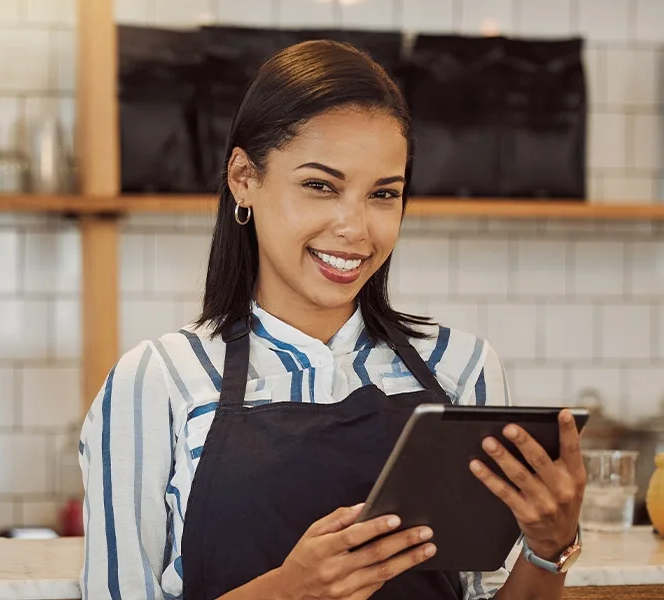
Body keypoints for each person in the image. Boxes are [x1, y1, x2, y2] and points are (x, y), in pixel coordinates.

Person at [78, 41, 586, 600]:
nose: (355, 228)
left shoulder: (461, 369)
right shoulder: (156, 382)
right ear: (244, 177)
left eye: (383, 194)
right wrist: (289, 591)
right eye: (321, 186)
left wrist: (548, 548)